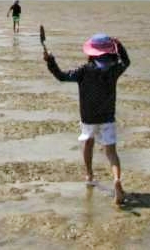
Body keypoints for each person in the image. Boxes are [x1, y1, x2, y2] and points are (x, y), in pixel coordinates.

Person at [43, 33, 130, 205]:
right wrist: (118, 44)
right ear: (110, 52)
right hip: (108, 117)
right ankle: (116, 179)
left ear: (91, 52)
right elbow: (126, 61)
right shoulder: (114, 70)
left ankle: (89, 175)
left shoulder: (83, 70)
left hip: (88, 117)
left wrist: (50, 61)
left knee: (88, 143)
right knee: (111, 152)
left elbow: (61, 76)